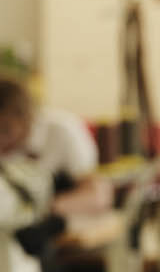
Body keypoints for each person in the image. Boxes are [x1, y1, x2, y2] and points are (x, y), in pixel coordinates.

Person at [0, 77, 106, 218]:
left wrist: (36, 210)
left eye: (5, 129)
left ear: (26, 117)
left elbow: (98, 196)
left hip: (55, 221)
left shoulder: (62, 130)